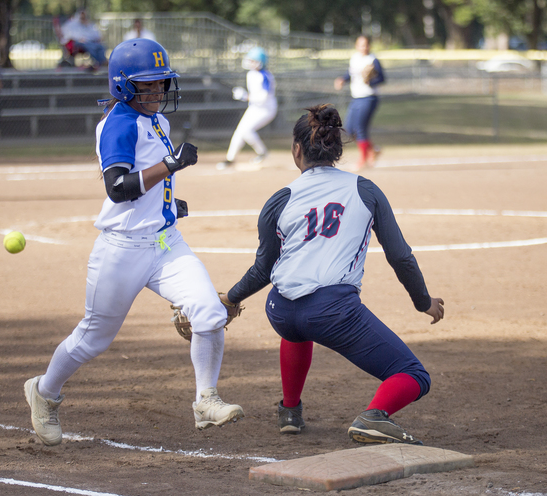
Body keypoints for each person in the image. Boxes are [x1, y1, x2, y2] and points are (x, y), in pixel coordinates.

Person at [23, 38, 244, 447]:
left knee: (210, 311)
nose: (158, 91)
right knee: (94, 338)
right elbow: (118, 188)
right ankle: (44, 392)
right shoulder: (118, 124)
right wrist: (171, 165)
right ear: (124, 86)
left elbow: (146, 186)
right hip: (122, 249)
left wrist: (167, 206)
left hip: (164, 243)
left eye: (162, 82)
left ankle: (205, 400)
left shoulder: (156, 119)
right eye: (149, 84)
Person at [220, 104, 444, 445]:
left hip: (279, 309)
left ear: (297, 150)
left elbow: (264, 268)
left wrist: (231, 298)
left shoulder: (279, 199)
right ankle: (373, 417)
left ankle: (290, 411)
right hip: (332, 312)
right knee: (413, 374)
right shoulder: (365, 190)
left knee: (296, 329)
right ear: (338, 150)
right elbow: (400, 256)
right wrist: (423, 301)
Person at [216, 47, 277, 169]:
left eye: (253, 60)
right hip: (255, 107)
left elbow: (263, 98)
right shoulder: (250, 74)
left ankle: (262, 152)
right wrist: (246, 96)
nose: (250, 63)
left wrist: (245, 96)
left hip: (266, 109)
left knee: (247, 131)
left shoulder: (265, 76)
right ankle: (230, 158)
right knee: (239, 131)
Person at [334, 35, 385, 171]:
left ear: (369, 46)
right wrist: (342, 79)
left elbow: (382, 78)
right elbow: (350, 74)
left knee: (360, 128)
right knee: (350, 129)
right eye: (360, 44)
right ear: (356, 46)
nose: (363, 47)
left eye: (365, 44)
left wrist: (371, 81)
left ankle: (363, 160)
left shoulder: (372, 60)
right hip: (356, 97)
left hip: (369, 97)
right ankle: (373, 150)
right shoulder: (355, 58)